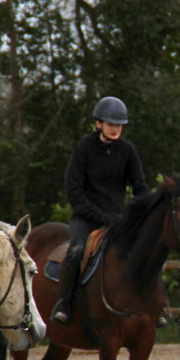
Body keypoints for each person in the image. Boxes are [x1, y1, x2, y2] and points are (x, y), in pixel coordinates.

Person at [49, 95, 148, 326]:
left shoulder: (128, 151)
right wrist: (102, 218)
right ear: (99, 124)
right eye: (111, 124)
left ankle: (157, 306)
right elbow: (74, 192)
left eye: (119, 125)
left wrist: (140, 213)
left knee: (148, 249)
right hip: (86, 218)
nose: (115, 129)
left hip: (119, 218)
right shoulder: (84, 149)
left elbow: (140, 186)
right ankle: (64, 302)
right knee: (75, 251)